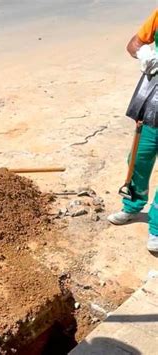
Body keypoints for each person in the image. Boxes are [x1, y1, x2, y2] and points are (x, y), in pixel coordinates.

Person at [108, 8, 158, 252]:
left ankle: (157, 229)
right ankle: (132, 206)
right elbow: (134, 44)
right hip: (153, 102)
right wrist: (145, 53)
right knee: (138, 158)